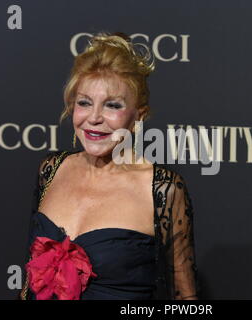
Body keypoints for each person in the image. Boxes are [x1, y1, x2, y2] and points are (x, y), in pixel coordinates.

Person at [19, 33, 198, 300]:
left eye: (112, 105)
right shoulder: (51, 169)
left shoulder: (162, 190)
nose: (94, 118)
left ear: (139, 115)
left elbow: (185, 299)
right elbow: (30, 282)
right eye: (84, 103)